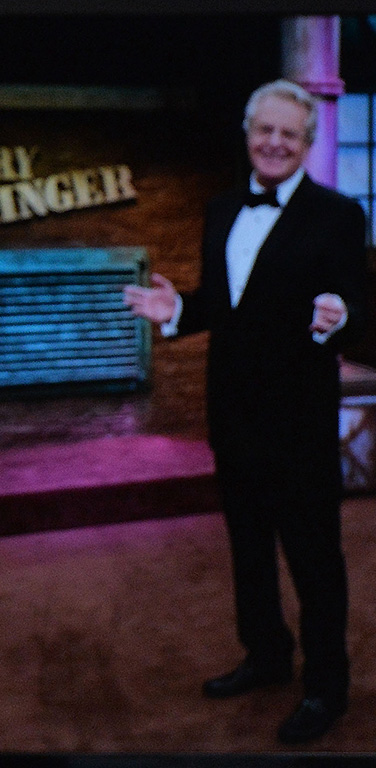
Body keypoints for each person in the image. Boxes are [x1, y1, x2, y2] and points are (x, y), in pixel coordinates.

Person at [123, 79, 367, 745]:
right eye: (266, 129)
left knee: (315, 560)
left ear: (308, 144)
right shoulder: (222, 210)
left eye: (291, 133)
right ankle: (265, 656)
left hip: (301, 423)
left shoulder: (339, 215)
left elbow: (357, 302)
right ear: (249, 133)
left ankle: (326, 687)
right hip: (233, 418)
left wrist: (339, 315)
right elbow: (229, 307)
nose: (276, 142)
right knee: (249, 551)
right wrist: (179, 313)